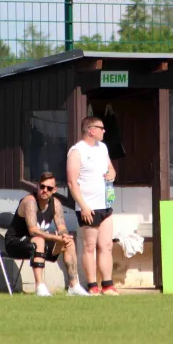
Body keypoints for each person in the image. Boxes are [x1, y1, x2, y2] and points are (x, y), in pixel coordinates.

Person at [5, 172, 90, 297]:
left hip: (37, 243)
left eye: (49, 188)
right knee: (39, 240)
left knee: (69, 242)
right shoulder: (30, 202)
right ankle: (40, 287)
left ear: (54, 190)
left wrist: (64, 235)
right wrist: (56, 237)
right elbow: (33, 231)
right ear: (37, 186)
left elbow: (61, 227)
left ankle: (73, 286)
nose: (45, 190)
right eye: (42, 186)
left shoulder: (56, 204)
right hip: (15, 243)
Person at [66, 116, 119, 296]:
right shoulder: (76, 151)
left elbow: (111, 168)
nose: (104, 131)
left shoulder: (103, 148)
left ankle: (108, 285)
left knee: (106, 246)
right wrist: (84, 206)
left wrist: (112, 172)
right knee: (90, 247)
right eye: (101, 128)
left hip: (105, 204)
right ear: (91, 130)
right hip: (88, 206)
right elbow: (72, 183)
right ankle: (92, 285)